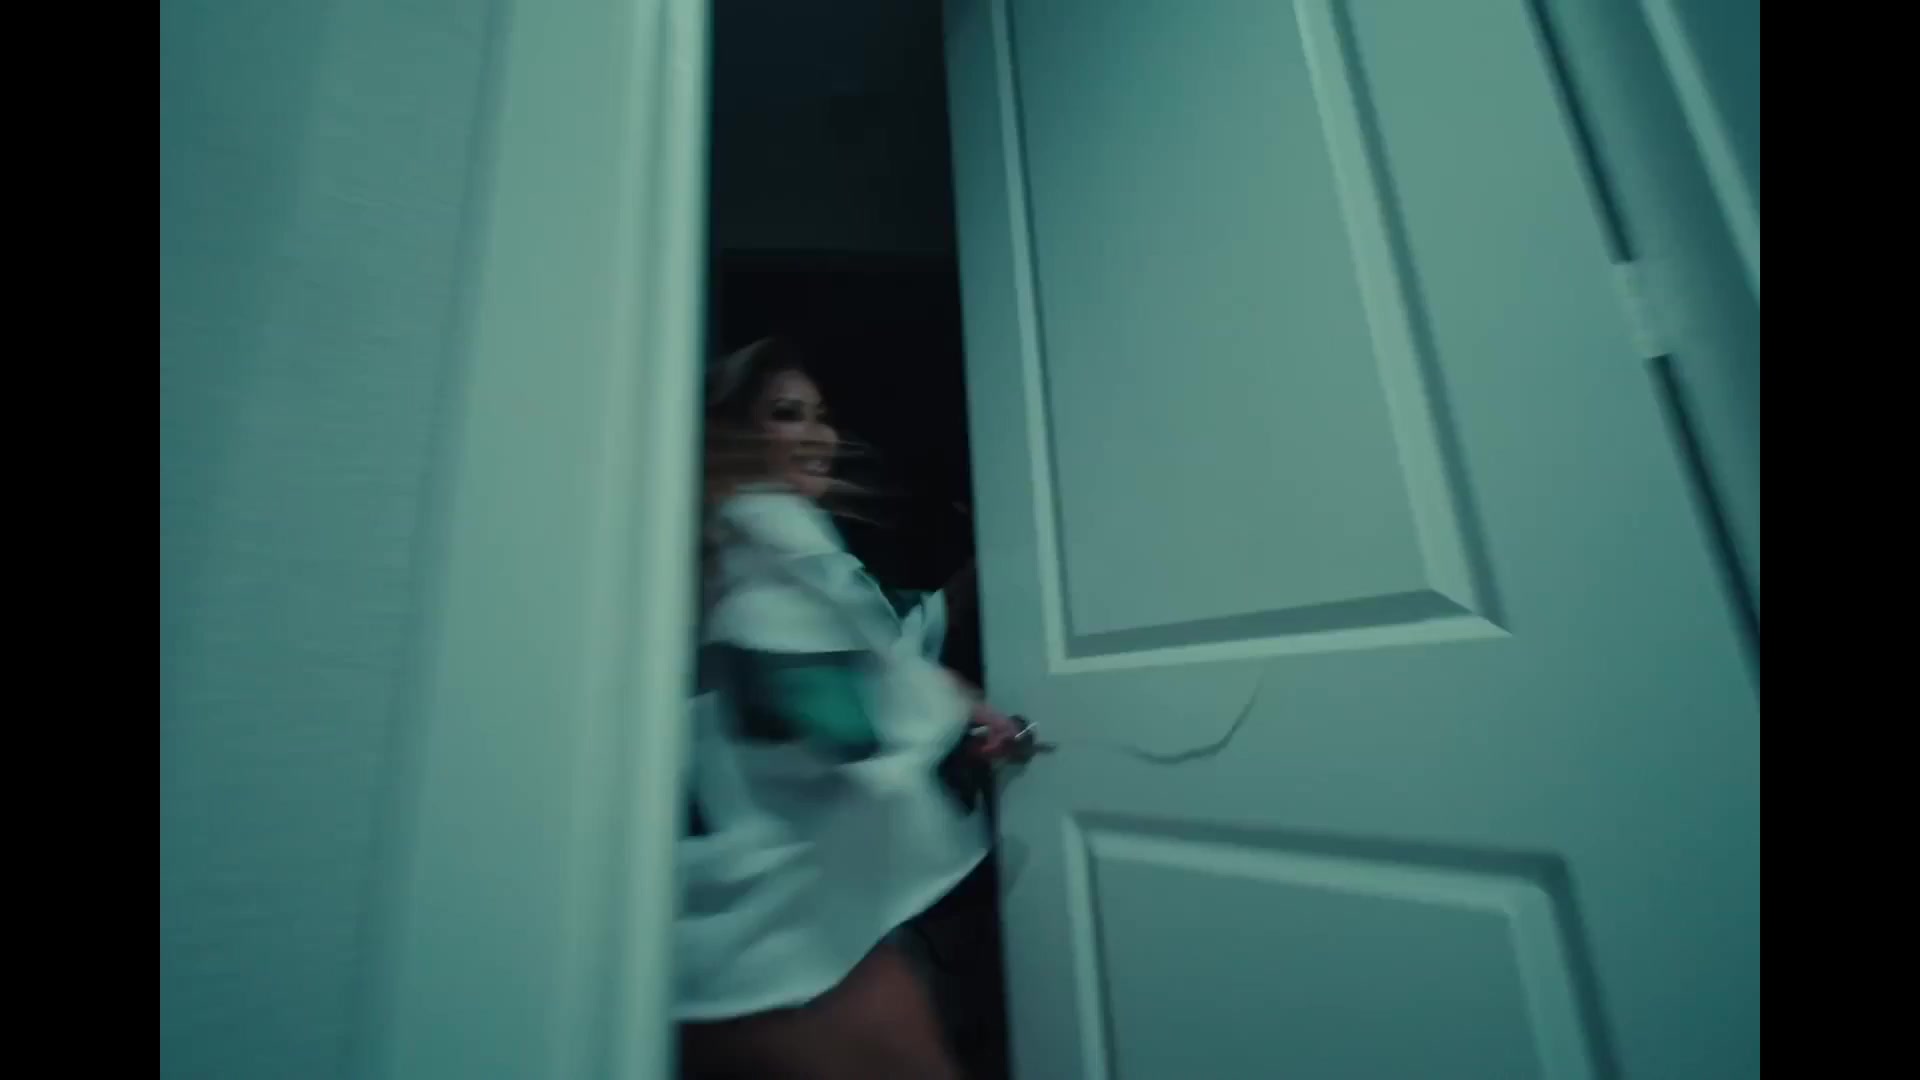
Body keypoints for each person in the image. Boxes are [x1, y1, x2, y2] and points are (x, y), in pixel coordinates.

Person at [676, 337, 1017, 1079]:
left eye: (821, 414)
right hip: (776, 930)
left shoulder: (790, 558)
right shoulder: (759, 565)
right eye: (786, 414)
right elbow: (833, 720)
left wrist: (1004, 556)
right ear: (731, 435)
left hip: (754, 918)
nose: (818, 434)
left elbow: (886, 648)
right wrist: (948, 712)